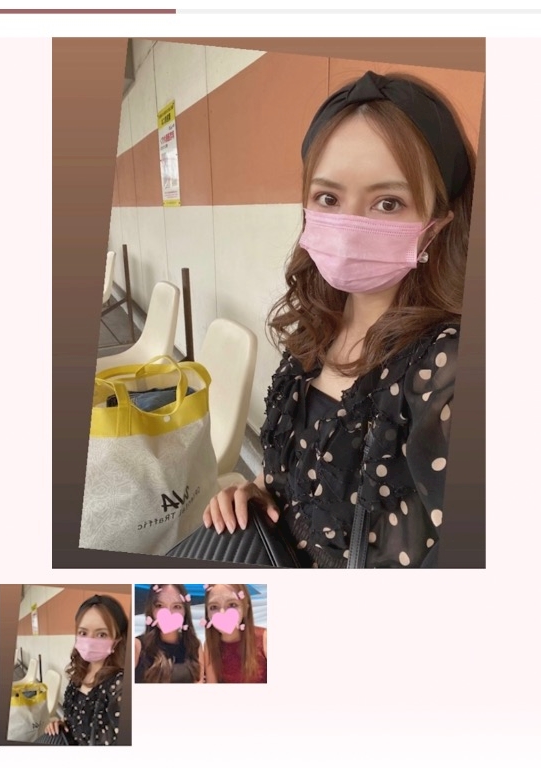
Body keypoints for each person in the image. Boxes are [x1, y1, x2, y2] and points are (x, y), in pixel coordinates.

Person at [204, 70, 476, 569]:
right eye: (328, 198)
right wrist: (257, 494)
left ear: (438, 224)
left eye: (388, 203)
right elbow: (301, 482)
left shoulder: (447, 368)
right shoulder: (317, 325)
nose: (350, 228)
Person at [43, 594, 127, 745]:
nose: (89, 642)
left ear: (117, 640)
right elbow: (76, 721)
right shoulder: (80, 671)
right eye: (83, 633)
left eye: (101, 634)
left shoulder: (119, 685)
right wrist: (62, 725)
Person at [135, 584, 203, 683]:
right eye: (160, 606)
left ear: (185, 611)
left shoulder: (194, 645)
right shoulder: (137, 646)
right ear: (151, 609)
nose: (168, 613)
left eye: (176, 606)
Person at [202, 584, 267, 683]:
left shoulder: (265, 638)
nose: (222, 613)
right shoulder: (209, 645)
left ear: (245, 608)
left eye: (232, 605)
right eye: (214, 607)